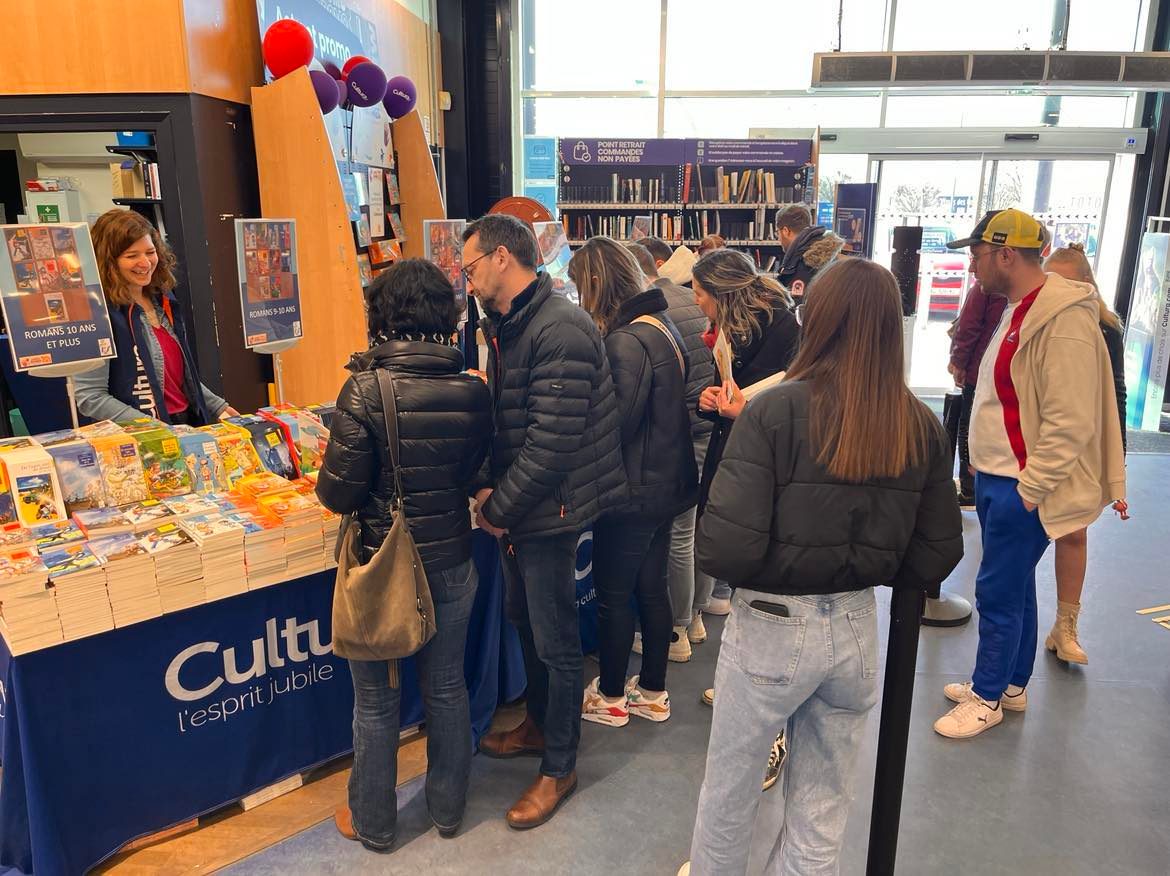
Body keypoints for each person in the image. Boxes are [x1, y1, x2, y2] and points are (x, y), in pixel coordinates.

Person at [684, 258, 964, 874]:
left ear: (819, 319)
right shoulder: (916, 422)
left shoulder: (775, 412)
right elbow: (937, 551)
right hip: (859, 626)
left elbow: (726, 548)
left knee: (730, 795)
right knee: (823, 807)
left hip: (771, 624)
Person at [315, 258, 493, 851]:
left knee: (375, 700)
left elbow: (336, 493)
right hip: (452, 559)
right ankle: (447, 810)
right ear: (446, 316)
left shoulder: (365, 388)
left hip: (382, 567)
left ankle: (375, 823)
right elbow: (475, 473)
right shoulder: (472, 388)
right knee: (446, 687)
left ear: (382, 316)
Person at [461, 215, 627, 828]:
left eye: (471, 265)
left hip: (549, 512)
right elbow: (508, 420)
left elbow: (551, 444)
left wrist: (498, 510)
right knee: (525, 622)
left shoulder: (560, 328)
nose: (468, 278)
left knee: (555, 639)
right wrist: (486, 485)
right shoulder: (512, 324)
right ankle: (536, 724)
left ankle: (560, 765)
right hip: (525, 507)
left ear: (502, 257)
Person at [935, 209, 1126, 739]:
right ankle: (1012, 684)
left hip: (1022, 483)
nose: (971, 267)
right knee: (1013, 585)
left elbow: (1071, 418)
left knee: (996, 588)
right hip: (1002, 476)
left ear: (1004, 254)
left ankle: (987, 695)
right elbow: (1005, 395)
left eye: (975, 255)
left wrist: (1032, 487)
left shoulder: (1061, 319)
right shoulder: (1020, 308)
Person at [571, 238, 697, 725]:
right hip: (666, 485)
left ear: (598, 283)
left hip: (632, 491)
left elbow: (614, 424)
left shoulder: (625, 341)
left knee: (614, 595)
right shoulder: (658, 327)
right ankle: (651, 691)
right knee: (650, 589)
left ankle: (610, 697)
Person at [627, 241, 716, 659]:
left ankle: (677, 631)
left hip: (682, 427)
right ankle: (697, 615)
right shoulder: (691, 299)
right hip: (710, 422)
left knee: (679, 535)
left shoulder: (652, 314)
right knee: (699, 527)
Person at [1040, 243, 1128, 665]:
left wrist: (1118, 464)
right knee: (1028, 535)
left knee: (1074, 532)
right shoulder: (1032, 320)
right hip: (1036, 444)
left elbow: (1117, 395)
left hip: (1085, 445)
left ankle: (1066, 625)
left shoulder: (1105, 329)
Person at [76, 209, 237, 425]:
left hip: (184, 426)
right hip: (142, 439)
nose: (145, 263)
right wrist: (153, 428)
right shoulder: (96, 313)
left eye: (150, 252)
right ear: (109, 261)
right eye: (132, 256)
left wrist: (218, 406)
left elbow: (180, 377)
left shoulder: (162, 301)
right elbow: (90, 397)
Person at [948, 280, 1008, 508]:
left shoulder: (986, 287)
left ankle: (969, 488)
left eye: (976, 256)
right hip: (1001, 374)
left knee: (970, 428)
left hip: (979, 371)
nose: (973, 266)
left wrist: (958, 363)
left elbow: (968, 326)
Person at [775, 204, 845, 300]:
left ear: (786, 231)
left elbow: (796, 310)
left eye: (777, 232)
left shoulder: (803, 265)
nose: (778, 238)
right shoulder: (829, 256)